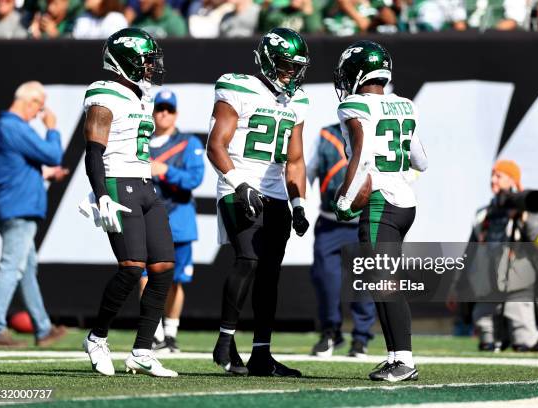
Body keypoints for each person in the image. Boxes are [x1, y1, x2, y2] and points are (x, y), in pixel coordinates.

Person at [207, 27, 311, 377]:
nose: (291, 74)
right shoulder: (238, 87)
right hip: (238, 185)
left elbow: (295, 160)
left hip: (277, 193)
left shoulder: (297, 101)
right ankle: (225, 339)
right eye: (284, 65)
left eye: (296, 67)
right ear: (267, 61)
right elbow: (216, 145)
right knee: (248, 258)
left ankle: (262, 354)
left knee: (270, 274)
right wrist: (239, 184)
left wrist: (298, 204)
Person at [80, 27, 177, 377]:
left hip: (146, 184)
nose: (151, 67)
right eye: (146, 61)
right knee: (132, 266)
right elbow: (94, 151)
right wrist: (102, 193)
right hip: (119, 183)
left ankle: (142, 350)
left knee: (164, 266)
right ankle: (97, 337)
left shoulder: (139, 96)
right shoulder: (105, 92)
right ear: (124, 61)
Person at [333, 41, 428, 381]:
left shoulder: (355, 104)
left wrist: (345, 198)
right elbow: (421, 161)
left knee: (384, 282)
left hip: (380, 205)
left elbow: (360, 155)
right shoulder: (405, 104)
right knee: (383, 281)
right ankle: (395, 357)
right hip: (405, 204)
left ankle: (403, 359)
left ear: (357, 74)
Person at [0, 81, 69, 348]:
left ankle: (43, 328)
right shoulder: (13, 127)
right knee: (13, 266)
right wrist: (52, 127)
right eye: (39, 107)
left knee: (26, 268)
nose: (39, 113)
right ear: (29, 101)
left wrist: (43, 174)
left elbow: (9, 170)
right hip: (18, 209)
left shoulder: (1, 128)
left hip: (10, 205)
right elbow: (53, 154)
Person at [456, 160, 538, 352]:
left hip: (519, 285)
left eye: (499, 175)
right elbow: (470, 252)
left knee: (525, 343)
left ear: (512, 180)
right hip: (489, 286)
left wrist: (526, 220)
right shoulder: (484, 214)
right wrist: (456, 285)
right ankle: (503, 334)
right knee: (488, 342)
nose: (493, 179)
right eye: (492, 174)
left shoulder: (529, 209)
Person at [138, 89, 205, 353]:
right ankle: (152, 332)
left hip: (178, 220)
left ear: (175, 113)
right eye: (159, 108)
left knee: (175, 281)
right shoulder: (139, 143)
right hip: (144, 219)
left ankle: (170, 333)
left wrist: (165, 171)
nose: (163, 113)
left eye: (168, 109)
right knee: (143, 276)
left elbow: (194, 179)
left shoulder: (188, 143)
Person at [307, 123, 375, 358]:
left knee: (366, 283)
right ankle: (330, 332)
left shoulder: (379, 131)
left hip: (365, 222)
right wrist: (297, 204)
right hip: (329, 221)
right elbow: (308, 170)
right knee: (326, 280)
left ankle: (361, 337)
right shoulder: (326, 134)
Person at [258, 0, 324, 33]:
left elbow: (313, 31)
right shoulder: (283, 11)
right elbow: (268, 23)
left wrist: (308, 15)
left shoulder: (313, 10)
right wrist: (265, 8)